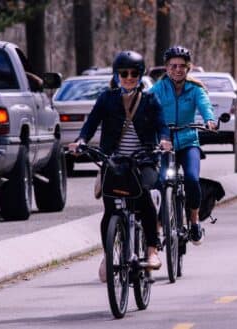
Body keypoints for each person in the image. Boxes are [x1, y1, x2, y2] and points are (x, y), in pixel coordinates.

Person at [68, 50, 171, 281]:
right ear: (116, 75)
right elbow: (91, 123)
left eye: (134, 73)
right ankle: (108, 254)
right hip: (113, 162)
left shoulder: (149, 99)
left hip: (142, 159)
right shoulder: (107, 98)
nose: (128, 77)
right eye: (123, 73)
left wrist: (164, 140)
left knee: (144, 199)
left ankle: (152, 251)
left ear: (140, 75)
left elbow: (161, 125)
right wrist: (81, 141)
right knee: (110, 210)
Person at [150, 46, 216, 245]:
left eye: (182, 66)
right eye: (173, 66)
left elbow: (205, 106)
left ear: (189, 68)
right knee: (160, 182)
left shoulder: (195, 89)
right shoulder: (157, 90)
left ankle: (194, 222)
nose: (177, 70)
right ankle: (159, 227)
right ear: (166, 68)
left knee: (191, 179)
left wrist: (209, 120)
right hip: (165, 144)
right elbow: (145, 107)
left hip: (188, 143)